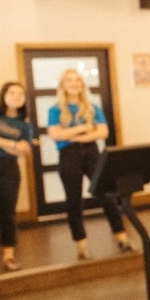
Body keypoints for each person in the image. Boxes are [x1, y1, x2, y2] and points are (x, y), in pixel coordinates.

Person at [46, 69, 130, 259]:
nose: (73, 83)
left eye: (77, 80)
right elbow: (54, 134)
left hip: (92, 154)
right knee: (74, 201)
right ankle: (81, 245)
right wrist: (83, 128)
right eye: (69, 80)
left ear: (82, 85)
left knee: (107, 195)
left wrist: (71, 135)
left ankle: (122, 237)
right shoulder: (55, 109)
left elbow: (102, 132)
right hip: (68, 156)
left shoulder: (92, 108)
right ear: (63, 85)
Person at [0, 82, 33, 272]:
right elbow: (16, 146)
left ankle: (8, 256)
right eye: (12, 92)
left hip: (9, 168)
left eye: (20, 93)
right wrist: (11, 144)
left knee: (8, 210)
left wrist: (0, 143)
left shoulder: (24, 124)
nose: (16, 96)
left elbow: (25, 149)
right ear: (4, 95)